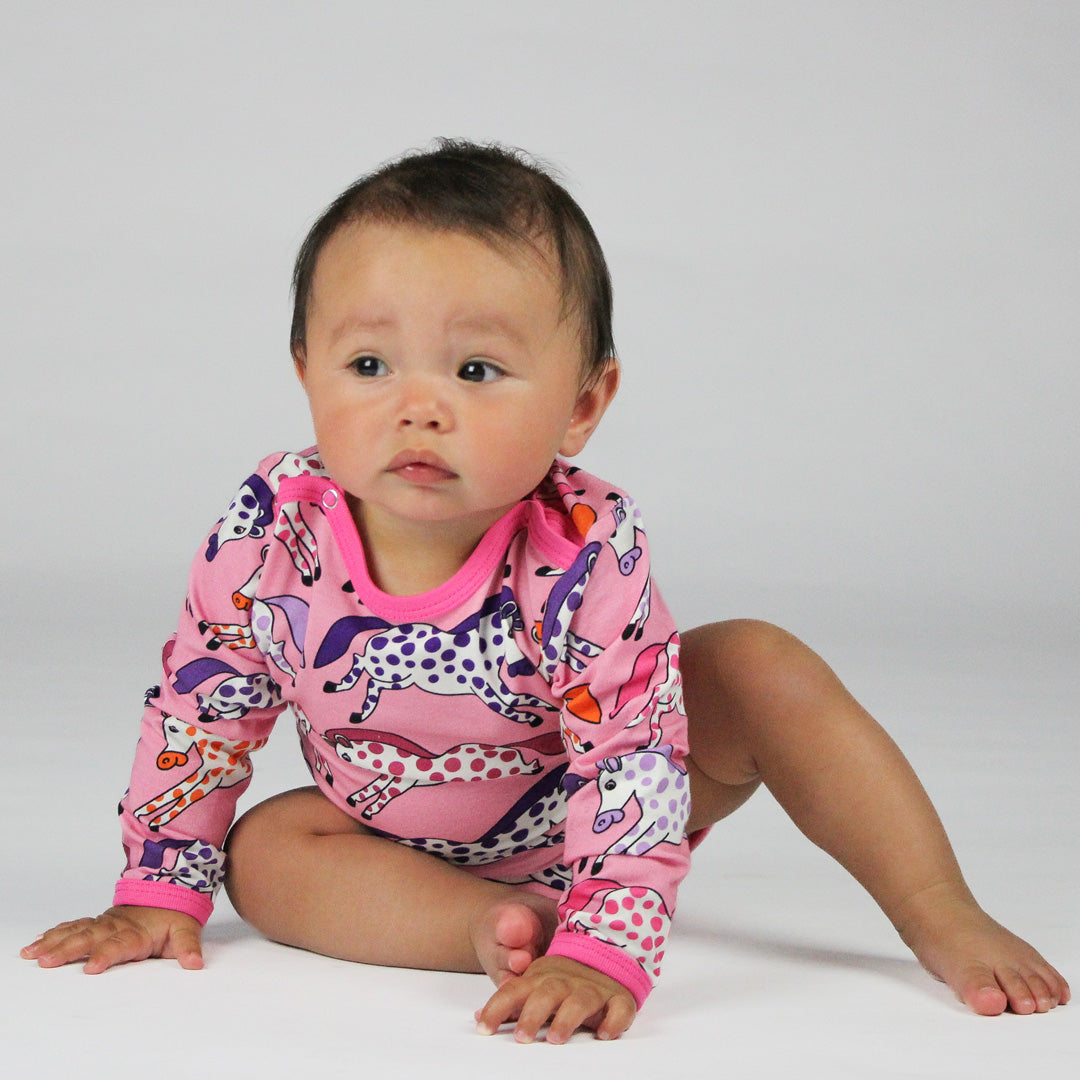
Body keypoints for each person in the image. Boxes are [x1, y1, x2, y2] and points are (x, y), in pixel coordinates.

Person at [22, 140, 1068, 1044]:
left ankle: (936, 904)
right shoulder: (269, 534)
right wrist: (156, 889)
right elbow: (202, 713)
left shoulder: (581, 550)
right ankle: (485, 929)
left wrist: (612, 948)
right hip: (382, 835)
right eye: (370, 364)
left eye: (476, 372)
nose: (418, 408)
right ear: (306, 371)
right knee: (263, 853)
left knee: (760, 663)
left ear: (582, 403)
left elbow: (632, 754)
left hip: (595, 795)